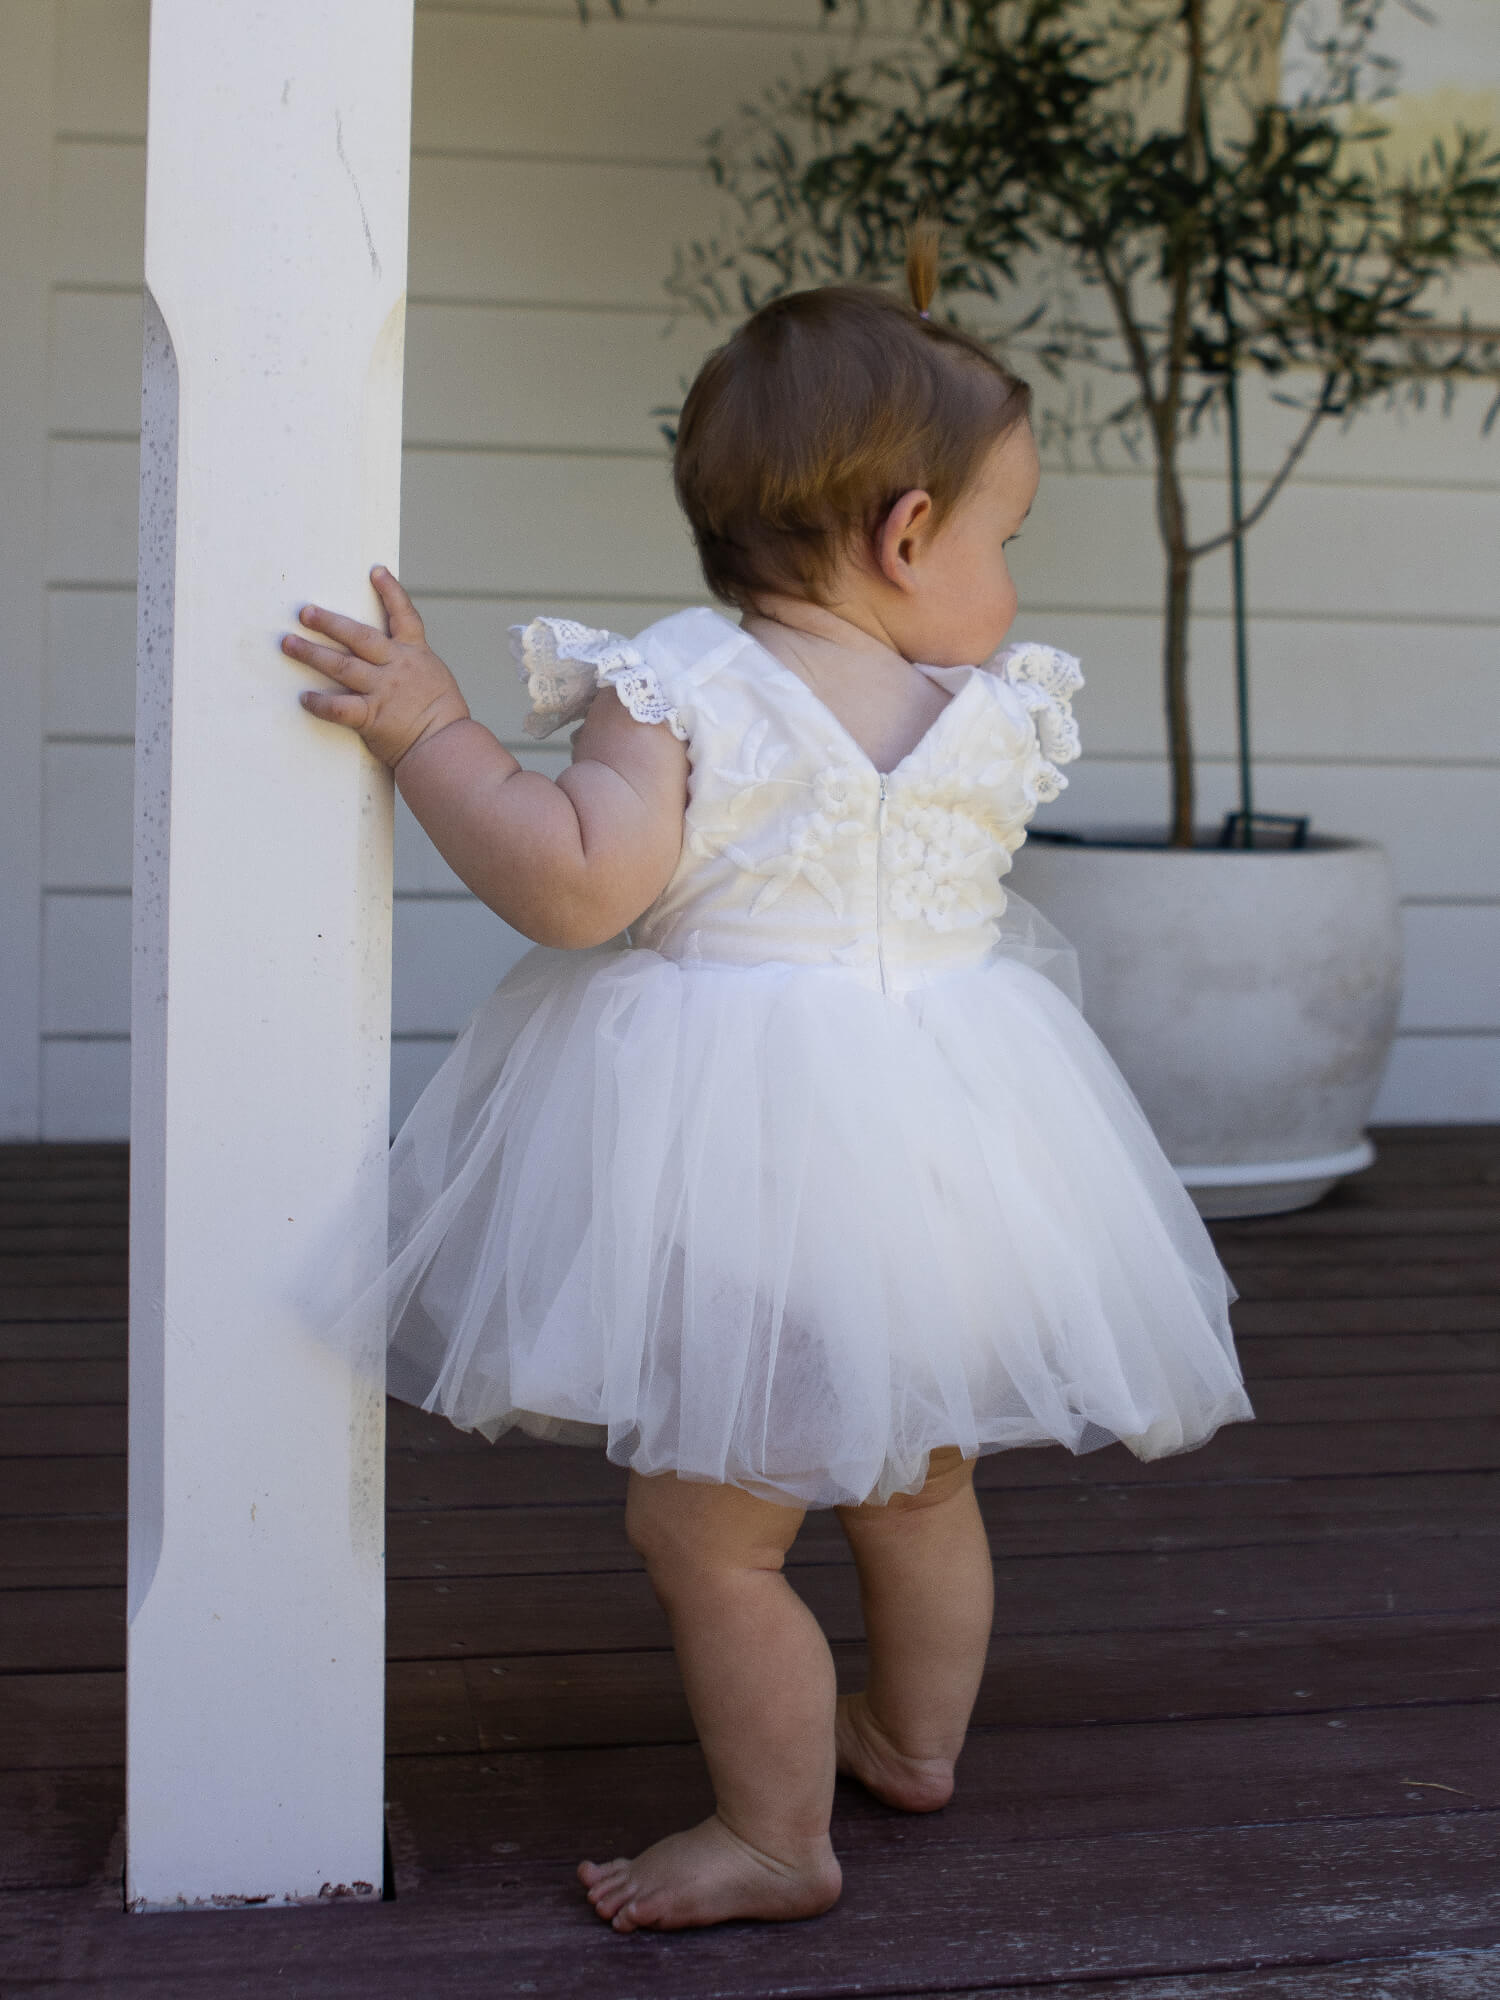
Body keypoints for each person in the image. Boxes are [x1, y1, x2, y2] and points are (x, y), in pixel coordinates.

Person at [281, 228, 1253, 1936]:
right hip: (965, 1160)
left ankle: (774, 1835)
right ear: (908, 534)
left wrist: (433, 730)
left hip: (751, 1174)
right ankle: (914, 1743)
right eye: (1008, 538)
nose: (1011, 582)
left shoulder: (685, 688)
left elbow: (574, 884)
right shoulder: (995, 709)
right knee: (919, 1477)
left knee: (709, 1535)